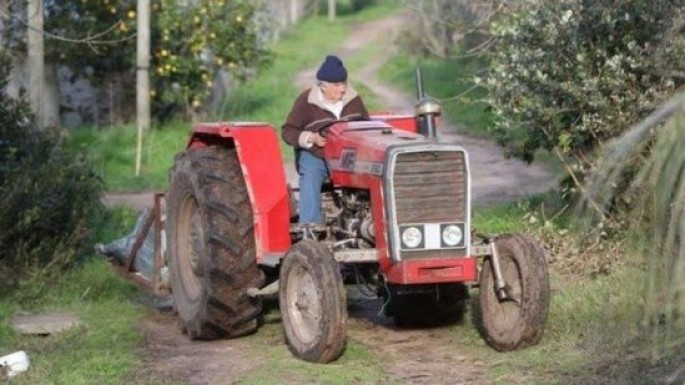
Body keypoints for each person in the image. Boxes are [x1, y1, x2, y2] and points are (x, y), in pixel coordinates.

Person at [282, 55, 369, 224]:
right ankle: (310, 227)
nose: (343, 89)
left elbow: (366, 125)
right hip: (318, 154)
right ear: (323, 86)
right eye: (337, 85)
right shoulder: (305, 101)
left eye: (344, 83)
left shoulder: (354, 99)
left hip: (349, 155)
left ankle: (368, 222)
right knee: (311, 175)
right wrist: (311, 138)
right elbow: (288, 131)